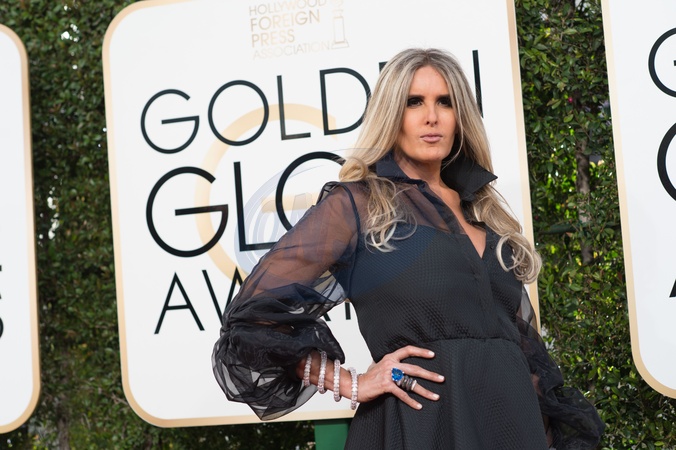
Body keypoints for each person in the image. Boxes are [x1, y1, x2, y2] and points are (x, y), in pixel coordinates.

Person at [212, 48, 604, 449]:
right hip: (419, 427)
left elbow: (525, 354)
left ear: (460, 117)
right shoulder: (358, 206)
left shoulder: (486, 213)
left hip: (512, 427)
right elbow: (250, 321)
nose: (431, 116)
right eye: (413, 102)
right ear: (390, 114)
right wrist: (350, 383)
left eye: (445, 102)